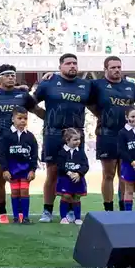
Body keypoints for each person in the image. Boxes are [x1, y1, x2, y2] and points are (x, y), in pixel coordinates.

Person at [32, 54, 92, 223]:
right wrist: (45, 116)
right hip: (53, 133)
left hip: (76, 134)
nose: (72, 66)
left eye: (75, 63)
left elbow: (94, 106)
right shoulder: (49, 82)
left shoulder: (86, 85)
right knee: (52, 172)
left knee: (74, 172)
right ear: (60, 67)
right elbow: (31, 103)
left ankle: (72, 210)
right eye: (68, 63)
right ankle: (47, 211)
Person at [0, 64, 38, 224]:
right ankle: (2, 212)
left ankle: (21, 214)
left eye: (13, 75)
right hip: (0, 141)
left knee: (22, 178)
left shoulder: (23, 95)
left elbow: (36, 110)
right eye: (7, 75)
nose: (11, 77)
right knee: (1, 179)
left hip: (20, 142)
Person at [91, 56, 135, 212]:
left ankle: (124, 207)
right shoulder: (96, 85)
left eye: (119, 67)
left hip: (126, 136)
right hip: (106, 134)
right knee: (108, 174)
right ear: (105, 69)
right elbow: (85, 97)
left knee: (124, 174)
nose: (116, 70)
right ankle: (108, 208)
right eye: (113, 67)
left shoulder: (130, 86)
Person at [0, 108, 40, 224]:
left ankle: (25, 217)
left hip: (25, 168)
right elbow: (3, 154)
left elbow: (34, 155)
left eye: (25, 118)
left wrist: (32, 170)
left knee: (24, 191)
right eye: (20, 118)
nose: (23, 121)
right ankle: (15, 217)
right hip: (12, 168)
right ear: (13, 119)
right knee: (15, 192)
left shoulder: (30, 137)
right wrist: (5, 170)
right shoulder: (6, 136)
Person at [56, 128, 89, 225]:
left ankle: (77, 217)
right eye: (75, 139)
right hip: (65, 179)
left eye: (79, 139)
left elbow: (85, 166)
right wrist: (69, 173)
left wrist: (79, 173)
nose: (78, 142)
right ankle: (63, 217)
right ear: (67, 140)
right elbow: (60, 166)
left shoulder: (81, 152)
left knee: (76, 197)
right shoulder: (62, 152)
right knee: (66, 196)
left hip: (78, 179)